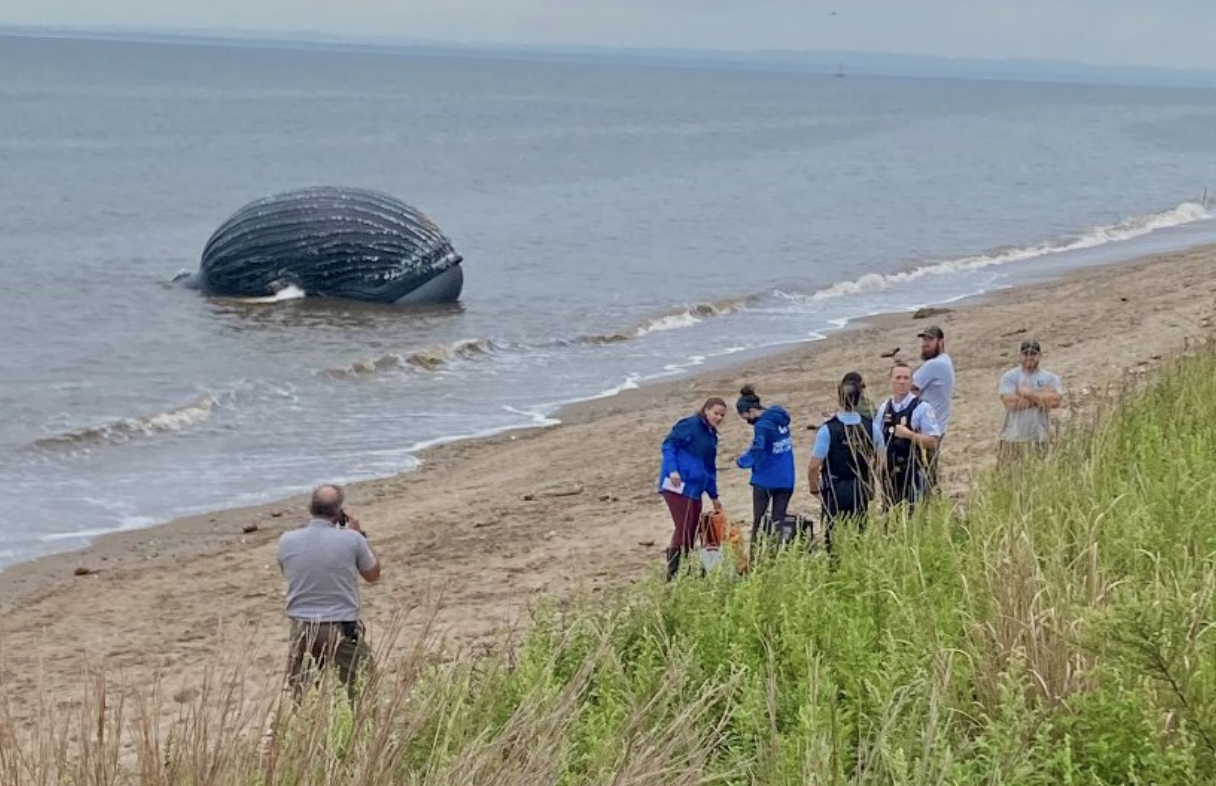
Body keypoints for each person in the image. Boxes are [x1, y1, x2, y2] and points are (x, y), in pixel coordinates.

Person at [278, 484, 381, 702]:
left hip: (302, 627)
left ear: (310, 508)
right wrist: (360, 534)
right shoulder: (353, 539)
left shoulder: (286, 540)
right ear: (339, 513)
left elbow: (287, 570)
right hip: (340, 625)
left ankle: (307, 733)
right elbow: (372, 575)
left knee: (303, 696)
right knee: (364, 690)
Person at [658, 397, 726, 580]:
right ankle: (673, 573)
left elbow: (710, 467)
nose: (719, 417)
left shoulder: (711, 436)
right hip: (677, 486)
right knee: (683, 526)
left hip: (696, 488)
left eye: (722, 415)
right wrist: (673, 470)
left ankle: (684, 567)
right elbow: (668, 445)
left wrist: (713, 495)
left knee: (693, 529)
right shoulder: (690, 425)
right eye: (716, 413)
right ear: (706, 410)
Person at [807, 379, 876, 554]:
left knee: (832, 535)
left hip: (835, 488)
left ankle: (834, 564)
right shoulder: (870, 426)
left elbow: (814, 466)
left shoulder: (828, 429)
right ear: (859, 398)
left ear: (839, 400)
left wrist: (814, 488)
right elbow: (881, 458)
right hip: (860, 486)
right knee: (859, 531)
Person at [734, 384, 795, 545]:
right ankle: (783, 555)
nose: (748, 421)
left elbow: (758, 448)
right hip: (787, 478)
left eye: (746, 417)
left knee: (758, 522)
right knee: (779, 520)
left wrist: (742, 462)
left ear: (751, 411)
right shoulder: (779, 417)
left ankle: (755, 560)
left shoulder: (762, 425)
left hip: (766, 479)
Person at [876, 362, 942, 509]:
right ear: (891, 380)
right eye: (898, 377)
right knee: (891, 516)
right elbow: (876, 437)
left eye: (906, 378)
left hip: (913, 472)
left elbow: (933, 441)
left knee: (914, 514)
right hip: (890, 474)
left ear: (912, 381)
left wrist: (910, 435)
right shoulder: (885, 407)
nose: (902, 382)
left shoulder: (922, 408)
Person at [998, 339, 1063, 464]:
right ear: (1020, 356)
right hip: (1012, 437)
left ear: (1039, 356)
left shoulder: (1051, 378)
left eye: (1033, 354)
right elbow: (1010, 403)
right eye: (1026, 354)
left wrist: (1028, 393)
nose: (1029, 357)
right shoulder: (1010, 376)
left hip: (1039, 437)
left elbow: (1055, 401)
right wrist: (1042, 398)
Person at [912, 325, 955, 490]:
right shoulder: (945, 361)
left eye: (930, 339)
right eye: (924, 339)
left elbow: (908, 387)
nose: (925, 343)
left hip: (928, 428)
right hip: (938, 424)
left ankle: (929, 503)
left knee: (924, 473)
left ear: (941, 342)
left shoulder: (934, 365)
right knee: (930, 471)